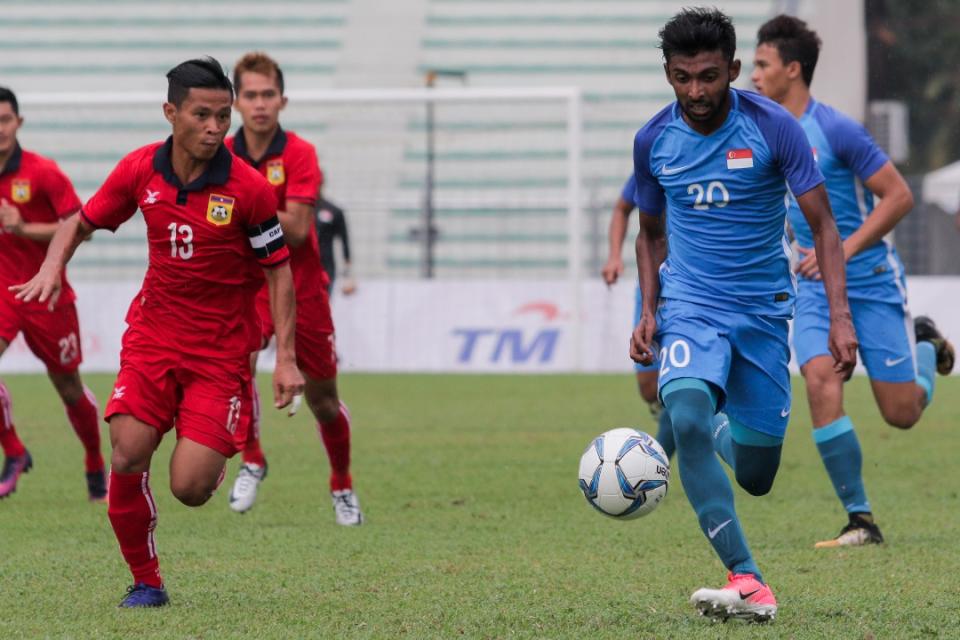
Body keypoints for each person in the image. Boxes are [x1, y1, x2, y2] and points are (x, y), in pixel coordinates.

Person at [11, 57, 304, 608]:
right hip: (153, 336)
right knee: (127, 453)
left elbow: (279, 268)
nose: (216, 127)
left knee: (189, 488)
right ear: (171, 113)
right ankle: (147, 581)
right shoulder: (140, 169)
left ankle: (212, 456)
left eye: (223, 115)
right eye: (202, 115)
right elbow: (82, 221)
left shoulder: (248, 189)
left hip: (220, 353)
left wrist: (285, 358)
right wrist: (53, 265)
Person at [629, 8, 858, 623]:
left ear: (732, 69)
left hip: (760, 313)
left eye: (708, 76)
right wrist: (650, 310)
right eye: (681, 78)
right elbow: (648, 236)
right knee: (685, 414)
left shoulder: (774, 128)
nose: (696, 92)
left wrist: (840, 318)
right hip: (690, 306)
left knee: (757, 475)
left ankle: (720, 416)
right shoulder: (653, 139)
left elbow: (825, 226)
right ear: (668, 74)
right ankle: (747, 578)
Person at [752, 15, 955, 548]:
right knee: (820, 377)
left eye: (762, 64)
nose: (753, 75)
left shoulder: (836, 129)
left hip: (870, 280)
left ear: (792, 70)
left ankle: (926, 352)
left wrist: (840, 248)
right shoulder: (763, 133)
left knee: (902, 412)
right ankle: (860, 520)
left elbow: (899, 196)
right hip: (815, 287)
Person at [225, 52, 363, 525]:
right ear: (236, 102)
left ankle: (342, 485)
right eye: (250, 95)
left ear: (282, 100)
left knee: (323, 401)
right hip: (247, 288)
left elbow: (300, 230)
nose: (260, 104)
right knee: (236, 369)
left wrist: (242, 204)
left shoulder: (300, 153)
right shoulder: (221, 152)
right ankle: (253, 458)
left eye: (268, 95)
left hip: (301, 289)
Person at [0, 86, 106, 502]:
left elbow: (82, 226)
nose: (0, 129)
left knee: (69, 388)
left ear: (18, 123)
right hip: (4, 294)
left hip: (47, 294)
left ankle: (95, 462)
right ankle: (15, 451)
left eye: (5, 120)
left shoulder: (43, 172)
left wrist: (23, 226)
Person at [601, 174, 673, 459]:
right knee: (649, 387)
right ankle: (679, 424)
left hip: (696, 285)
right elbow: (622, 209)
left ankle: (659, 458)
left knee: (684, 387)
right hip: (652, 285)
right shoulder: (656, 157)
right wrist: (614, 256)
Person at [315, 196, 356, 297]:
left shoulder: (333, 210)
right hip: (303, 265)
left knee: (324, 300)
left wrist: (348, 271)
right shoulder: (299, 209)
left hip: (326, 264)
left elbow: (344, 238)